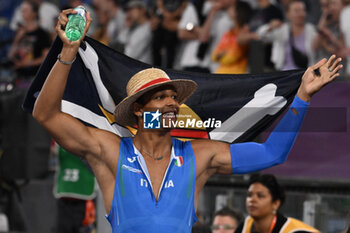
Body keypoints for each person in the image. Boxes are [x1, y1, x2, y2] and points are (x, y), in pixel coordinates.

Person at [31, 7, 342, 233]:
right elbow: (45, 114)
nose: (172, 103)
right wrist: (68, 52)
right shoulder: (110, 151)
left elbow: (273, 153)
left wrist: (302, 95)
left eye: (174, 98)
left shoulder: (199, 154)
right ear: (138, 110)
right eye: (161, 97)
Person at [234, 174, 320, 233]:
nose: (252, 200)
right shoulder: (246, 226)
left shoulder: (295, 231)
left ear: (276, 204)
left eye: (260, 196)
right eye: (249, 195)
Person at [257, 0, 317, 70]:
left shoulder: (311, 29)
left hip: (306, 72)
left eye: (303, 10)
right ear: (287, 14)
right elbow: (261, 35)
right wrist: (270, 27)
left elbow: (316, 50)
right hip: (284, 72)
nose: (301, 14)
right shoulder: (282, 29)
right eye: (296, 11)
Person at [7, 0, 51, 81]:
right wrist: (17, 39)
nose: (22, 13)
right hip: (18, 76)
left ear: (34, 13)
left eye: (25, 10)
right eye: (22, 10)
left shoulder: (42, 34)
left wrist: (25, 64)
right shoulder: (20, 32)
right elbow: (10, 55)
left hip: (33, 76)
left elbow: (45, 57)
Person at [211, 1, 253, 74]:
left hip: (237, 76)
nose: (228, 10)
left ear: (238, 12)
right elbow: (213, 56)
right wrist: (221, 55)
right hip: (221, 74)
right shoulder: (229, 33)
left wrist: (221, 55)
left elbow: (231, 57)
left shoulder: (245, 31)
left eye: (232, 8)